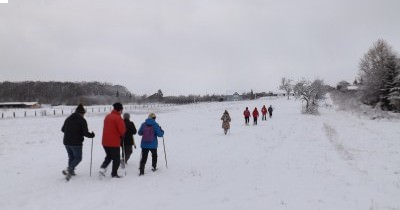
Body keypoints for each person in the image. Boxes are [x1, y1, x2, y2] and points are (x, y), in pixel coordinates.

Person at [61, 103, 95, 179]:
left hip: (66, 141)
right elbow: (85, 133)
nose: (84, 115)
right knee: (78, 158)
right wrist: (92, 135)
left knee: (71, 157)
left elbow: (63, 129)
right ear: (82, 113)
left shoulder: (68, 118)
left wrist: (70, 132)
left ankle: (71, 172)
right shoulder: (82, 120)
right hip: (76, 142)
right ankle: (69, 169)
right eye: (83, 114)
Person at [99, 102, 126, 178]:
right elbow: (122, 131)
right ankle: (114, 174)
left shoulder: (107, 116)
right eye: (121, 110)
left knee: (109, 156)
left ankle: (102, 168)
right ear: (120, 110)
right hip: (114, 142)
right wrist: (122, 135)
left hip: (105, 141)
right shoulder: (118, 118)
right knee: (116, 159)